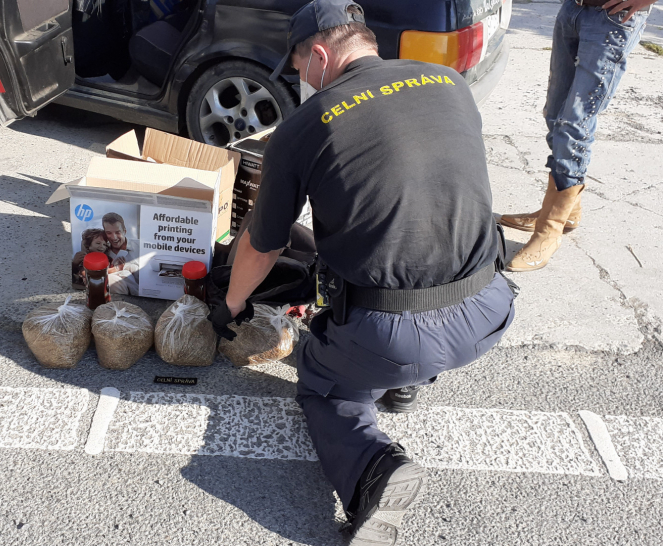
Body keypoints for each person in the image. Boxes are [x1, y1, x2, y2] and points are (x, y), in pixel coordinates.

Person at [207, 1, 516, 544]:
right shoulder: (448, 82)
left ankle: (374, 471)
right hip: (491, 305)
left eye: (300, 66)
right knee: (408, 255)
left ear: (322, 53)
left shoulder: (304, 126)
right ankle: (407, 385)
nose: (302, 78)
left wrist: (230, 307)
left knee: (323, 388)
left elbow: (261, 244)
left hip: (398, 337)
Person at [500, 0, 655, 271]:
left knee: (574, 123)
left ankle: (550, 228)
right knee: (555, 114)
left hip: (612, 19)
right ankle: (567, 211)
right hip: (572, 10)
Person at [102, 212, 140, 295]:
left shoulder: (140, 246)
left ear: (124, 231)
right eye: (109, 233)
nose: (114, 237)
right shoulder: (103, 251)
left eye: (117, 232)